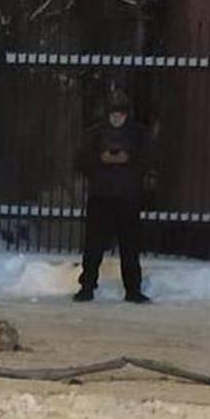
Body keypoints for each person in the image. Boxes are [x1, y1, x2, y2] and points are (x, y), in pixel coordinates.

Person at [74, 91, 154, 304]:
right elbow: (81, 161)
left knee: (129, 246)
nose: (117, 118)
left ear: (126, 115)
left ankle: (132, 289)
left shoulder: (138, 134)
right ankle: (87, 286)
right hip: (101, 195)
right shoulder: (95, 134)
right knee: (94, 245)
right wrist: (101, 159)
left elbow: (147, 160)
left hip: (127, 195)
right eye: (113, 113)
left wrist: (129, 159)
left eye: (121, 113)